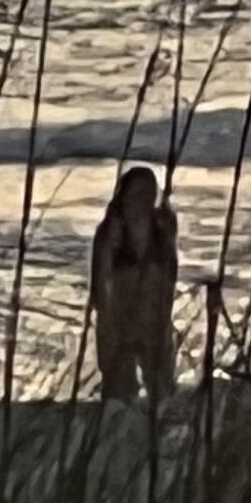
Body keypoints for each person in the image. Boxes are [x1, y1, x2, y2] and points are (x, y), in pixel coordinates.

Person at [90, 165, 178, 402]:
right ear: (123, 197)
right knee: (119, 393)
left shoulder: (161, 230)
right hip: (118, 326)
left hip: (154, 323)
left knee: (162, 391)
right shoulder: (111, 234)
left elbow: (169, 277)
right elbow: (100, 286)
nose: (141, 202)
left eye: (147, 195)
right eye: (135, 195)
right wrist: (109, 326)